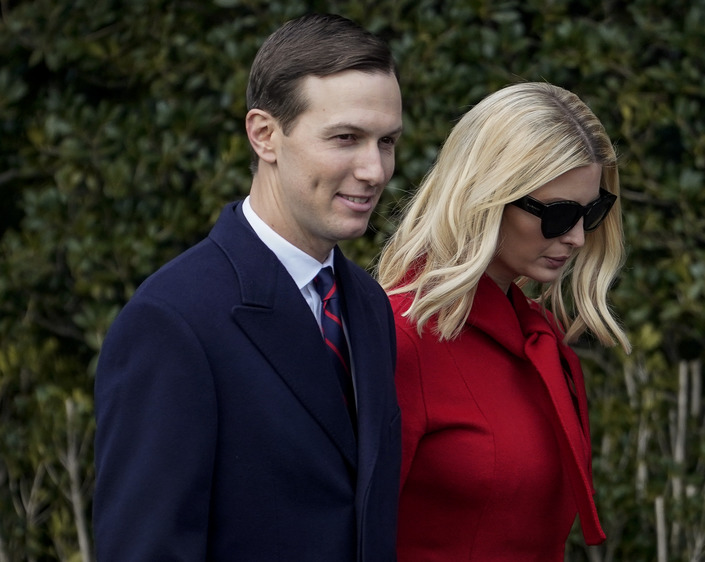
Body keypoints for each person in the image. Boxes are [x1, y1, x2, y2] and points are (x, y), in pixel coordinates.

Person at [93, 13, 403, 561]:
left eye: (387, 142)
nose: (375, 170)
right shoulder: (172, 321)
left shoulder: (368, 303)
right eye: (346, 138)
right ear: (264, 135)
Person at [377, 82, 631, 561]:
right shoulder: (401, 338)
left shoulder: (540, 340)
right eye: (558, 214)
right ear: (486, 196)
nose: (577, 237)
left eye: (592, 211)